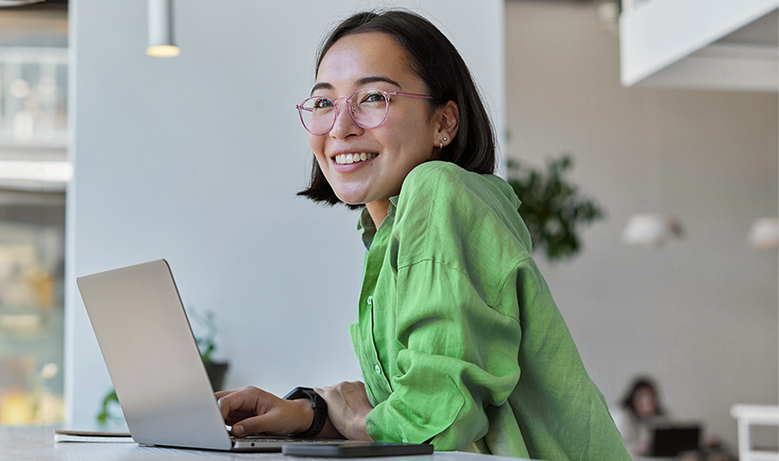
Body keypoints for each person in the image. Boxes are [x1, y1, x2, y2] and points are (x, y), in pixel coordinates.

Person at [217, 9, 631, 460]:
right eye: (323, 102)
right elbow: (424, 394)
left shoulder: (437, 190)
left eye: (373, 97)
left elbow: (436, 418)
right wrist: (310, 413)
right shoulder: (389, 232)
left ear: (444, 123)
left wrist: (353, 419)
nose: (340, 126)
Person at [613, 376, 670, 455]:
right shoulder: (619, 416)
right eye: (643, 400)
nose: (648, 407)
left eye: (650, 401)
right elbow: (612, 448)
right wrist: (636, 448)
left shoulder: (656, 419)